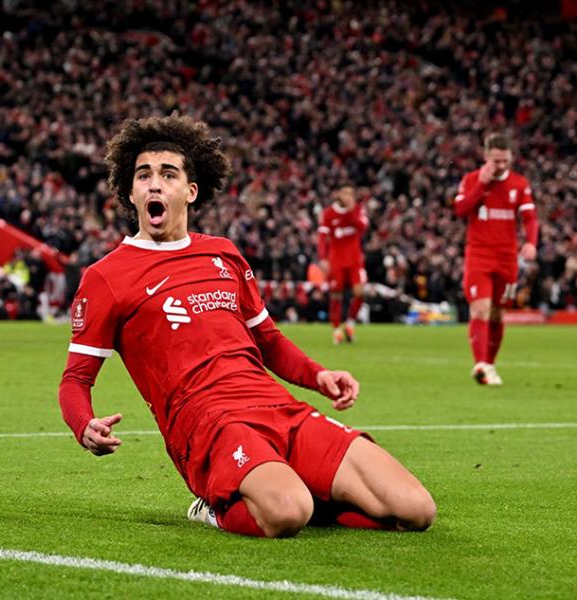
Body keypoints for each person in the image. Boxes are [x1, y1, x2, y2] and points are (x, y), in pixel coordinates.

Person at [58, 115, 435, 538]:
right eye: (143, 175)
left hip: (276, 406)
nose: (154, 185)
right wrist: (83, 425)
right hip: (209, 423)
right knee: (288, 512)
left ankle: (294, 489)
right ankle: (215, 507)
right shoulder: (107, 277)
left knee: (416, 509)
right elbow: (75, 380)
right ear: (131, 192)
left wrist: (319, 376)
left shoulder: (224, 254)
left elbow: (268, 341)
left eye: (168, 174)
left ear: (191, 191)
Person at [453, 133, 538, 386]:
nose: (500, 165)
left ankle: (489, 364)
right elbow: (460, 210)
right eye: (496, 160)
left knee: (498, 314)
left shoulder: (519, 183)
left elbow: (530, 218)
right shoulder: (471, 180)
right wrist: (481, 184)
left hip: (506, 258)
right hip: (479, 255)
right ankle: (480, 363)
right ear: (485, 156)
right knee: (480, 308)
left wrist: (531, 242)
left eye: (504, 161)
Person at [317, 184, 369, 344]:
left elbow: (363, 227)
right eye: (345, 193)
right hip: (336, 260)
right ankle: (336, 329)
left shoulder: (358, 209)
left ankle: (350, 323)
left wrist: (351, 211)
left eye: (351, 194)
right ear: (338, 194)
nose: (348, 196)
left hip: (355, 260)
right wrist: (323, 258)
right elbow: (322, 237)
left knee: (360, 292)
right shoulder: (329, 213)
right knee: (336, 295)